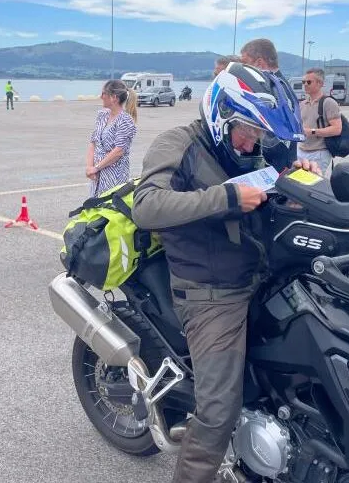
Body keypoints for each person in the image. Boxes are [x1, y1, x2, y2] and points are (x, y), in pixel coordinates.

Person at [131, 64, 312, 483]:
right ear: (220, 114)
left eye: (260, 135)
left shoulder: (249, 150)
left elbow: (269, 185)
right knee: (217, 411)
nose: (253, 142)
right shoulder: (178, 143)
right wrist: (227, 196)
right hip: (212, 292)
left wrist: (299, 184)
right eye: (247, 130)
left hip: (261, 274)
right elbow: (148, 207)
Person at [240, 39, 299, 171]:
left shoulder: (273, 90)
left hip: (273, 167)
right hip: (280, 163)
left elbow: (279, 135)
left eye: (245, 63)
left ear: (259, 62)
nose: (242, 68)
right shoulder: (281, 85)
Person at [86, 79, 137, 196]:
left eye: (104, 93)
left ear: (114, 97)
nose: (101, 96)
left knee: (109, 209)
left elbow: (118, 151)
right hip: (97, 176)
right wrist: (90, 168)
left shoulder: (125, 121)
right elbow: (93, 142)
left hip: (114, 177)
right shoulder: (102, 115)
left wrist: (97, 167)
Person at [297, 67, 343, 177]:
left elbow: (337, 129)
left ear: (320, 83)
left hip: (319, 152)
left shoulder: (329, 103)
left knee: (311, 183)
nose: (305, 84)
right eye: (303, 82)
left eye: (309, 82)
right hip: (301, 150)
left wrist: (312, 131)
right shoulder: (302, 104)